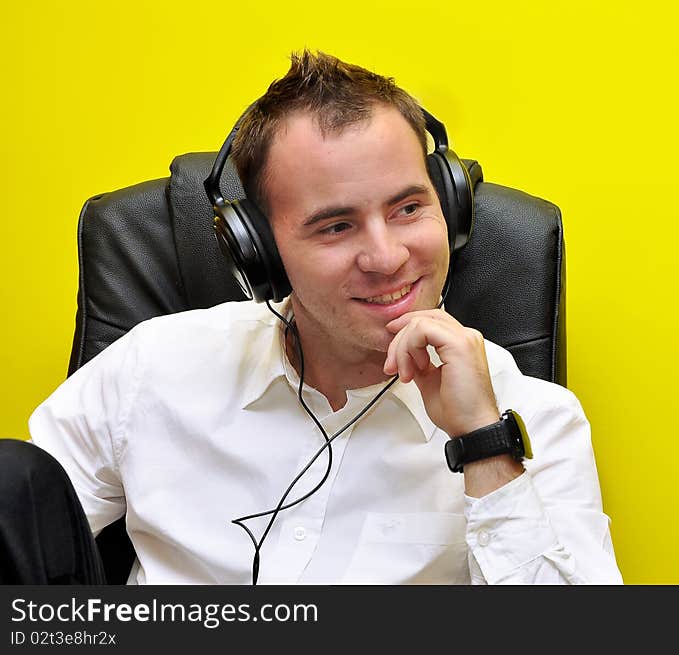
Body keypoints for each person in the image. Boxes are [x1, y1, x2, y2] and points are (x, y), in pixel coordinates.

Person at [9, 50, 622, 584]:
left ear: (450, 208)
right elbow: (21, 526)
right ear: (261, 252)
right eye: (335, 225)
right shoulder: (153, 368)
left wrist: (485, 445)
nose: (387, 257)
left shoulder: (536, 420)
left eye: (409, 207)